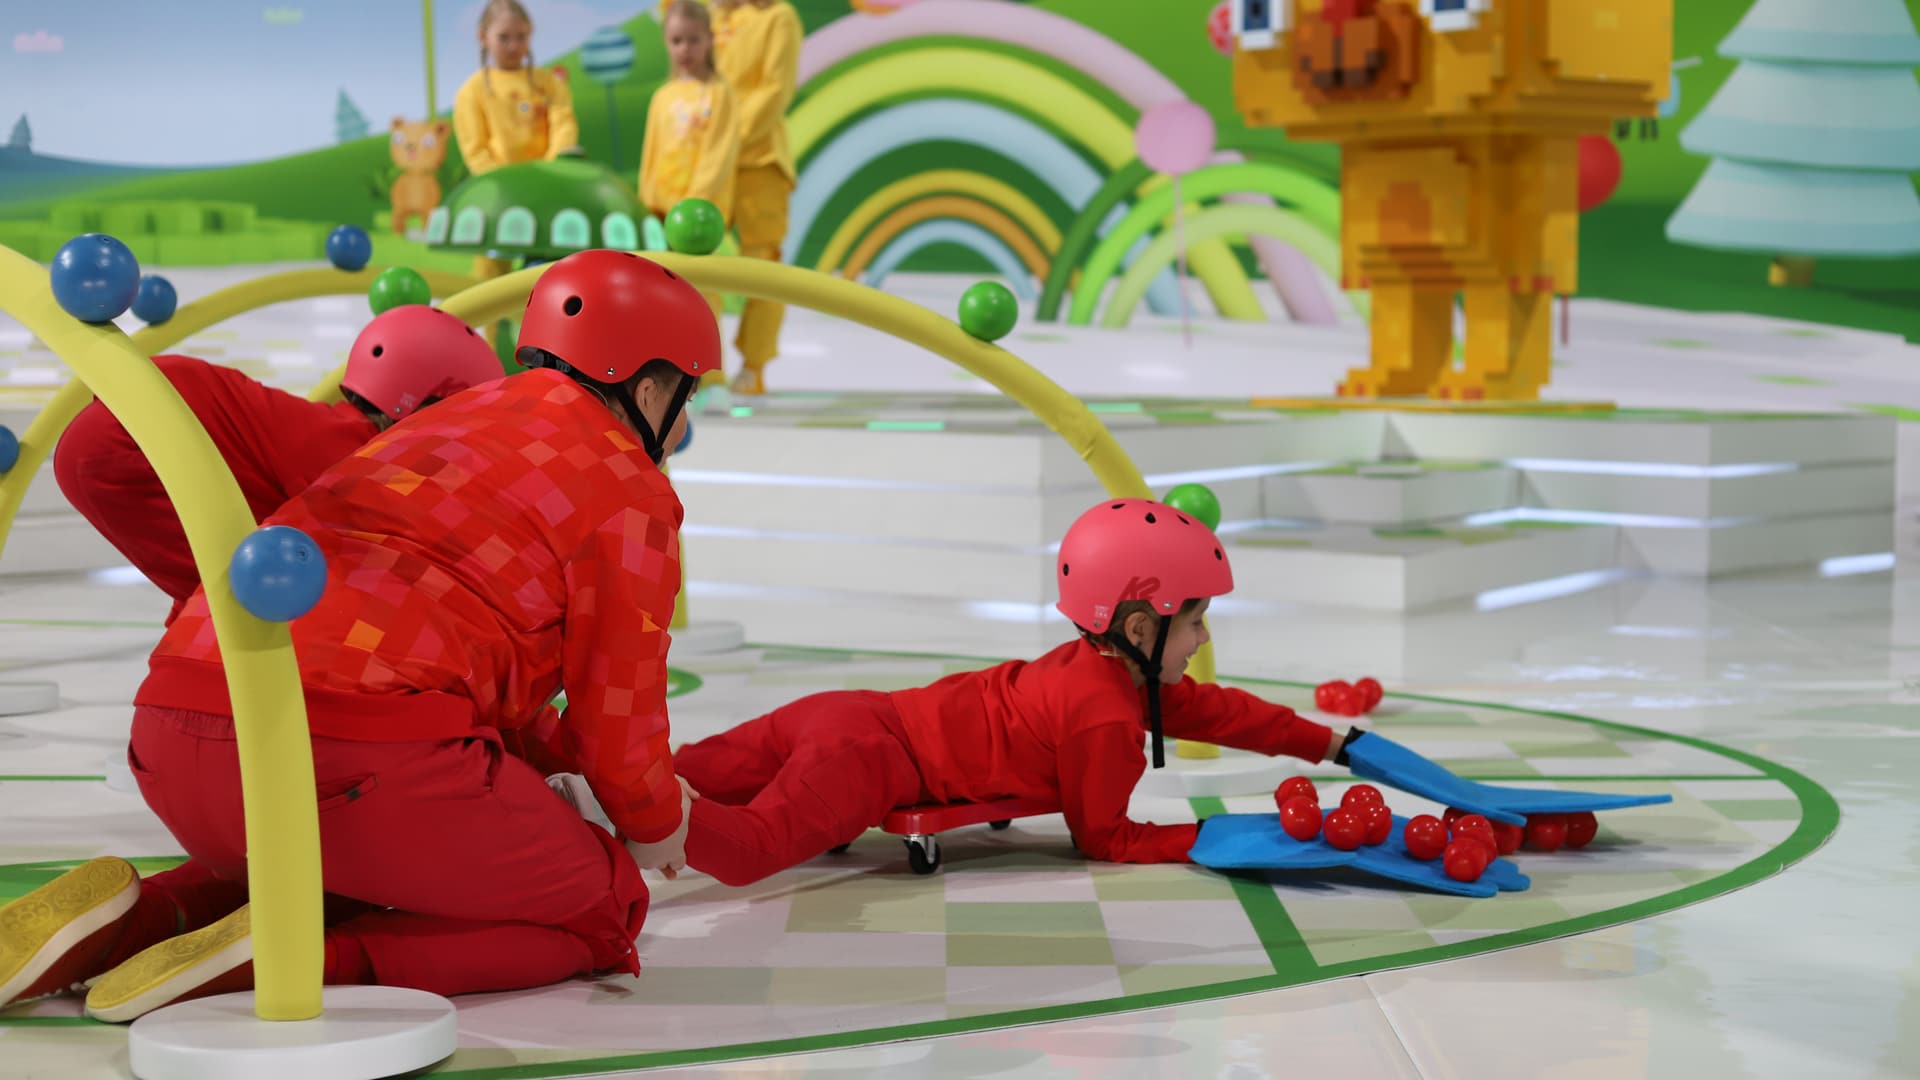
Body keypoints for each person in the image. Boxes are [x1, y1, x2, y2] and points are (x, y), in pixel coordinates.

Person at [0, 250, 720, 1022]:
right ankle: (302, 957)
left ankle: (130, 919)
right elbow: (618, 715)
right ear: (649, 387)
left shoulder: (438, 422)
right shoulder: (630, 488)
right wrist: (654, 823)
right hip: (353, 766)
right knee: (601, 904)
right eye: (687, 396)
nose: (681, 426)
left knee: (331, 865)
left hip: (178, 733)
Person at [658, 498, 1344, 886]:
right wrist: (1222, 833)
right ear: (1140, 628)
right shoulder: (1105, 715)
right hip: (870, 761)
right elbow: (1106, 839)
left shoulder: (1098, 667)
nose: (1202, 639)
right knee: (748, 849)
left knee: (670, 771)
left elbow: (1220, 712)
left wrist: (1336, 743)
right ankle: (637, 824)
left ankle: (614, 799)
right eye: (1195, 622)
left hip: (850, 709)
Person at [53, 306, 501, 624]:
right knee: (243, 603)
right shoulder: (355, 457)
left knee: (236, 582)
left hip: (138, 417)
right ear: (422, 406)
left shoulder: (330, 431)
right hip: (128, 446)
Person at [640, 0, 739, 381]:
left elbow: (718, 155)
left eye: (693, 40)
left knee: (702, 296)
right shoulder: (662, 96)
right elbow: (650, 155)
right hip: (661, 215)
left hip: (698, 217)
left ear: (709, 40)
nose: (685, 48)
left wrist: (693, 202)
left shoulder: (720, 94)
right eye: (677, 40)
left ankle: (711, 378)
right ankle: (667, 379)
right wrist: (647, 204)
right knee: (661, 298)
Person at [453, 0, 581, 280]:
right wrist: (505, 185)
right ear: (483, 37)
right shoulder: (472, 91)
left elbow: (563, 125)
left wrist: (551, 170)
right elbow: (474, 148)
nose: (513, 46)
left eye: (521, 37)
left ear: (530, 34)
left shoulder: (548, 83)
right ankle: (488, 312)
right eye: (503, 37)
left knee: (549, 267)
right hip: (498, 193)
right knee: (491, 271)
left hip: (546, 189)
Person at [712, 0, 801, 396]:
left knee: (762, 262)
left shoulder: (778, 16)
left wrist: (731, 138)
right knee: (695, 261)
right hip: (708, 161)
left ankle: (754, 364)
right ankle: (702, 365)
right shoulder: (712, 16)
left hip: (759, 158)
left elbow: (776, 89)